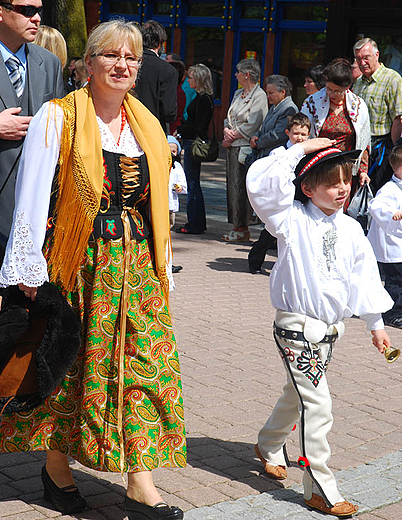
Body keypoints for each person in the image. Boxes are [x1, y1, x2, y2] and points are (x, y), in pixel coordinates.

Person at [0, 19, 186, 520]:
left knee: (145, 366)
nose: (122, 65)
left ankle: (141, 482)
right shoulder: (57, 118)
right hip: (78, 263)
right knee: (70, 368)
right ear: (88, 62)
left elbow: (158, 206)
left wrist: (163, 267)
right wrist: (27, 269)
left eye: (132, 58)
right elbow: (31, 200)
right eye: (111, 55)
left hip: (137, 268)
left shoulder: (146, 124)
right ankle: (56, 467)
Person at [246, 138, 393, 517]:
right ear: (308, 187)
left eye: (345, 180)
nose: (341, 189)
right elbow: (262, 184)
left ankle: (268, 442)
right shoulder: (290, 219)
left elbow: (364, 278)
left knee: (299, 395)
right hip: (295, 328)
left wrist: (375, 324)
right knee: (318, 404)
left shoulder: (352, 229)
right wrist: (299, 149)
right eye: (331, 183)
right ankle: (320, 487)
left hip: (329, 332)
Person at [0, 0, 65, 262]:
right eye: (27, 10)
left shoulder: (49, 64)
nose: (36, 18)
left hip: (32, 206)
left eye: (39, 11)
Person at [248, 112, 310, 274]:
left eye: (303, 134)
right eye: (296, 133)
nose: (299, 138)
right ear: (288, 133)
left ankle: (291, 266)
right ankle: (255, 260)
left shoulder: (309, 153)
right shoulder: (280, 152)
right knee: (271, 230)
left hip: (302, 195)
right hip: (284, 196)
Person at [301, 58, 371, 194]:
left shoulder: (359, 106)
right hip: (318, 169)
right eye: (329, 89)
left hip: (346, 172)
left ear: (347, 88)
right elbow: (301, 134)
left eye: (337, 91)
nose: (332, 94)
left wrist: (363, 171)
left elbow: (364, 143)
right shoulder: (312, 103)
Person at [222, 59, 268, 242]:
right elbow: (229, 116)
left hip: (244, 147)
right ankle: (235, 224)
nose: (236, 75)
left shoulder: (260, 95)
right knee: (232, 187)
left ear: (247, 74)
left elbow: (255, 122)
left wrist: (234, 135)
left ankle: (242, 227)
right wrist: (226, 130)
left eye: (238, 71)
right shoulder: (238, 93)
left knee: (241, 186)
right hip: (232, 145)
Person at [353, 38, 402, 193]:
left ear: (377, 55)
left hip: (382, 146)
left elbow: (398, 118)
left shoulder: (392, 79)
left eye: (366, 57)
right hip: (361, 145)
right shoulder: (359, 82)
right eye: (358, 59)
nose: (362, 63)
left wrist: (395, 150)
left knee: (376, 189)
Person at [175, 63, 214, 234]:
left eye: (191, 77)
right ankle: (197, 222)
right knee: (193, 182)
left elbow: (199, 127)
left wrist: (181, 130)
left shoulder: (204, 99)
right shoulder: (200, 97)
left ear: (198, 79)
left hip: (194, 143)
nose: (188, 80)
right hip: (191, 141)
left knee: (192, 183)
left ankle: (195, 223)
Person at [368, 145, 402, 329]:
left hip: (399, 243)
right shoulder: (389, 189)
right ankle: (392, 313)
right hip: (392, 245)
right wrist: (392, 214)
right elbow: (375, 206)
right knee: (395, 281)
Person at [134, 19, 178, 133]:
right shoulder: (168, 71)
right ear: (160, 43)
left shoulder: (129, 65)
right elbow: (169, 113)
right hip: (154, 132)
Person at [167, 135, 187, 274]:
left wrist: (179, 188)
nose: (171, 154)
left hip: (170, 206)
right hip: (158, 205)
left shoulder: (177, 167)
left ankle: (168, 261)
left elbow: (183, 185)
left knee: (168, 234)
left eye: (174, 151)